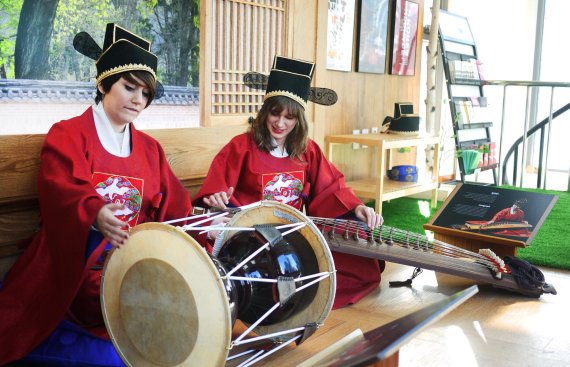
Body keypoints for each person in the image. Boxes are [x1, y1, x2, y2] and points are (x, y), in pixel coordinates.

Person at [0, 24, 193, 366]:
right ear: (103, 83)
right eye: (129, 87)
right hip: (77, 265)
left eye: (145, 93)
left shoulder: (151, 149)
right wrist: (94, 213)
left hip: (132, 266)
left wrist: (202, 224)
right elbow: (61, 188)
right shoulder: (68, 134)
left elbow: (174, 205)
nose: (138, 99)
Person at [193, 56, 384, 310]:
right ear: (264, 112)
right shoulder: (241, 148)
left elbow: (331, 188)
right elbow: (216, 194)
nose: (280, 123)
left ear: (299, 120)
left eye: (289, 117)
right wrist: (217, 201)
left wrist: (356, 207)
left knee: (361, 266)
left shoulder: (308, 151)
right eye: (275, 113)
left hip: (296, 235)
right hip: (254, 240)